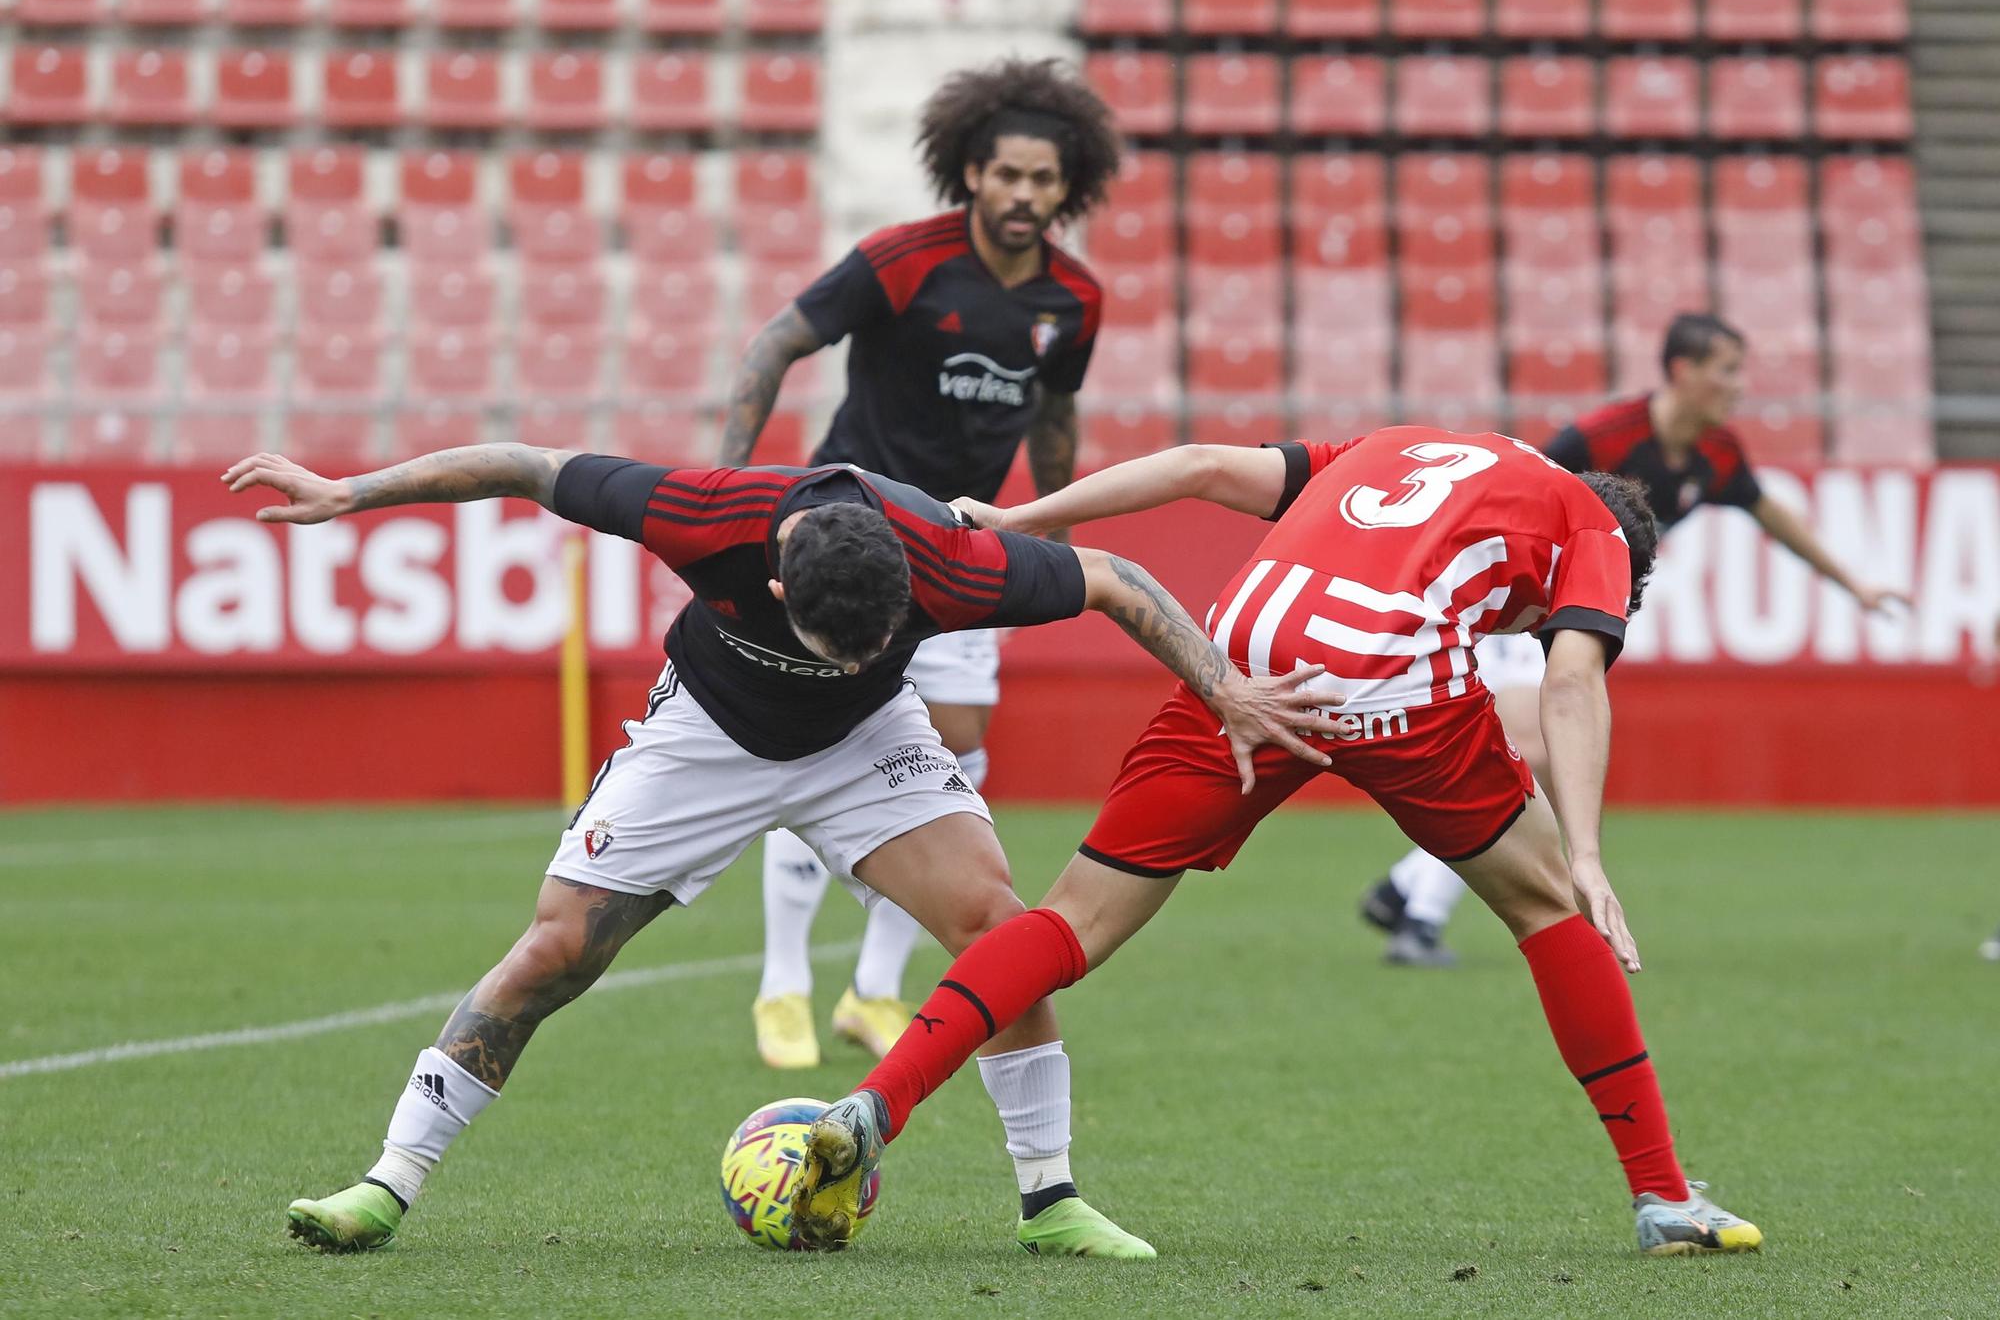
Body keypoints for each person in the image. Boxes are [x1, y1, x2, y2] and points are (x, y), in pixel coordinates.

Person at [225, 441, 1331, 1258]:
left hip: (867, 748)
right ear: (774, 580)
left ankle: (1051, 1201)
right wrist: (349, 492)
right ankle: (386, 1180)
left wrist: (1220, 685)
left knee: (999, 926)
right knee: (557, 949)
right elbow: (524, 463)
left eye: (873, 646)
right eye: (831, 646)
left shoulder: (951, 563)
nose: (852, 657)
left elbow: (1110, 581)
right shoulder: (703, 511)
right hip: (704, 733)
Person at [786, 426, 1765, 1259]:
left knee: (1071, 918)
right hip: (1386, 669)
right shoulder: (1591, 527)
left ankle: (877, 1101)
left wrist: (1017, 518)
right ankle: (1663, 1195)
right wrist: (1587, 852)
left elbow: (1202, 465)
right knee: (1547, 901)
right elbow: (1570, 683)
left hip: (1241, 655)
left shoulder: (1396, 447)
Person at [716, 58, 1120, 1068]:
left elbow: (1056, 418)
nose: (1024, 195)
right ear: (969, 172)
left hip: (959, 546)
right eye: (1007, 175)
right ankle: (780, 984)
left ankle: (873, 989)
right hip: (844, 533)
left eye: (1043, 180)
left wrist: (1053, 538)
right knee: (805, 739)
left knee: (950, 756)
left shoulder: (1072, 300)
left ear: (1067, 188)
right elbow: (773, 343)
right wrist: (729, 481)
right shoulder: (902, 260)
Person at [1363, 313, 1911, 966]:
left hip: (1571, 615)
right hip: (1518, 604)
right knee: (1533, 750)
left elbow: (1773, 517)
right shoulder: (1598, 438)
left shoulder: (1717, 454)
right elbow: (1503, 494)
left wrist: (1856, 585)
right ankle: (1418, 914)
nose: (1739, 386)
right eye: (1727, 369)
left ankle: (1407, 891)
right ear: (1683, 371)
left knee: (1526, 754)